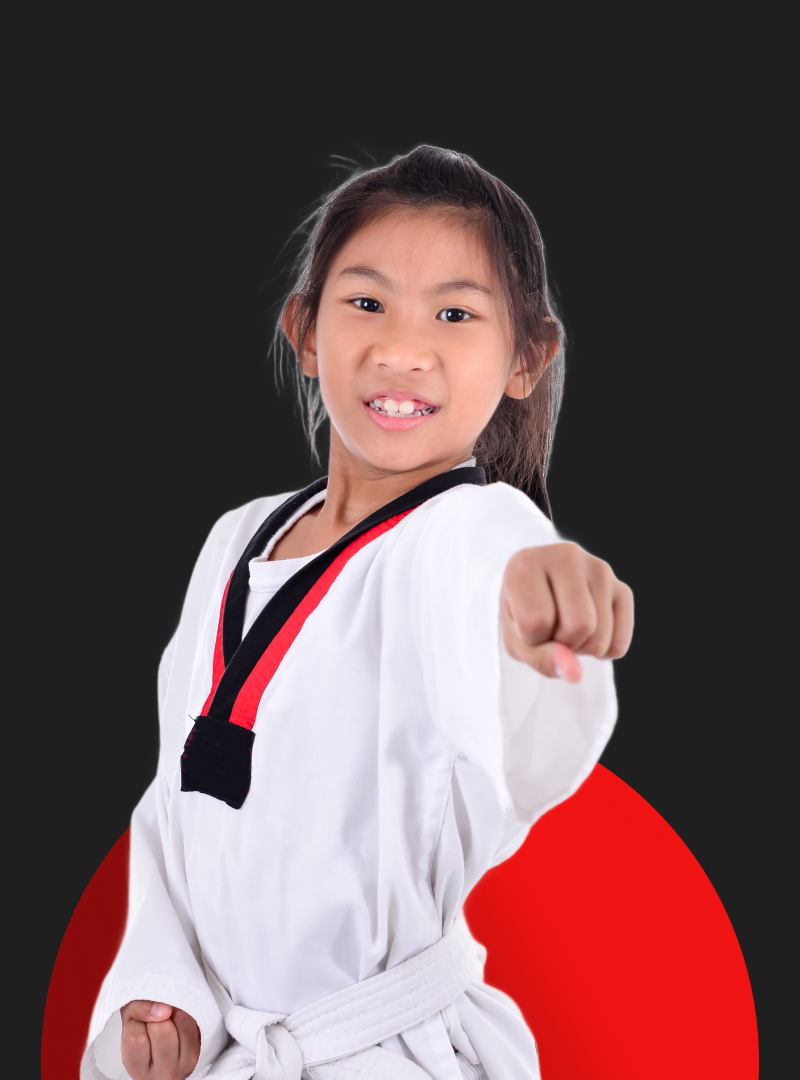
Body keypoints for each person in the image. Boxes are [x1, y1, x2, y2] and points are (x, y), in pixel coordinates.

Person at [82, 146, 633, 1080]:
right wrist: (162, 986)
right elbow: (181, 794)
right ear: (305, 331)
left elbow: (488, 572)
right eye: (366, 303)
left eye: (455, 315)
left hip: (389, 1054)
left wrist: (535, 598)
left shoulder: (470, 528)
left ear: (525, 359)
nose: (402, 349)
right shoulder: (235, 540)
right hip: (241, 1049)